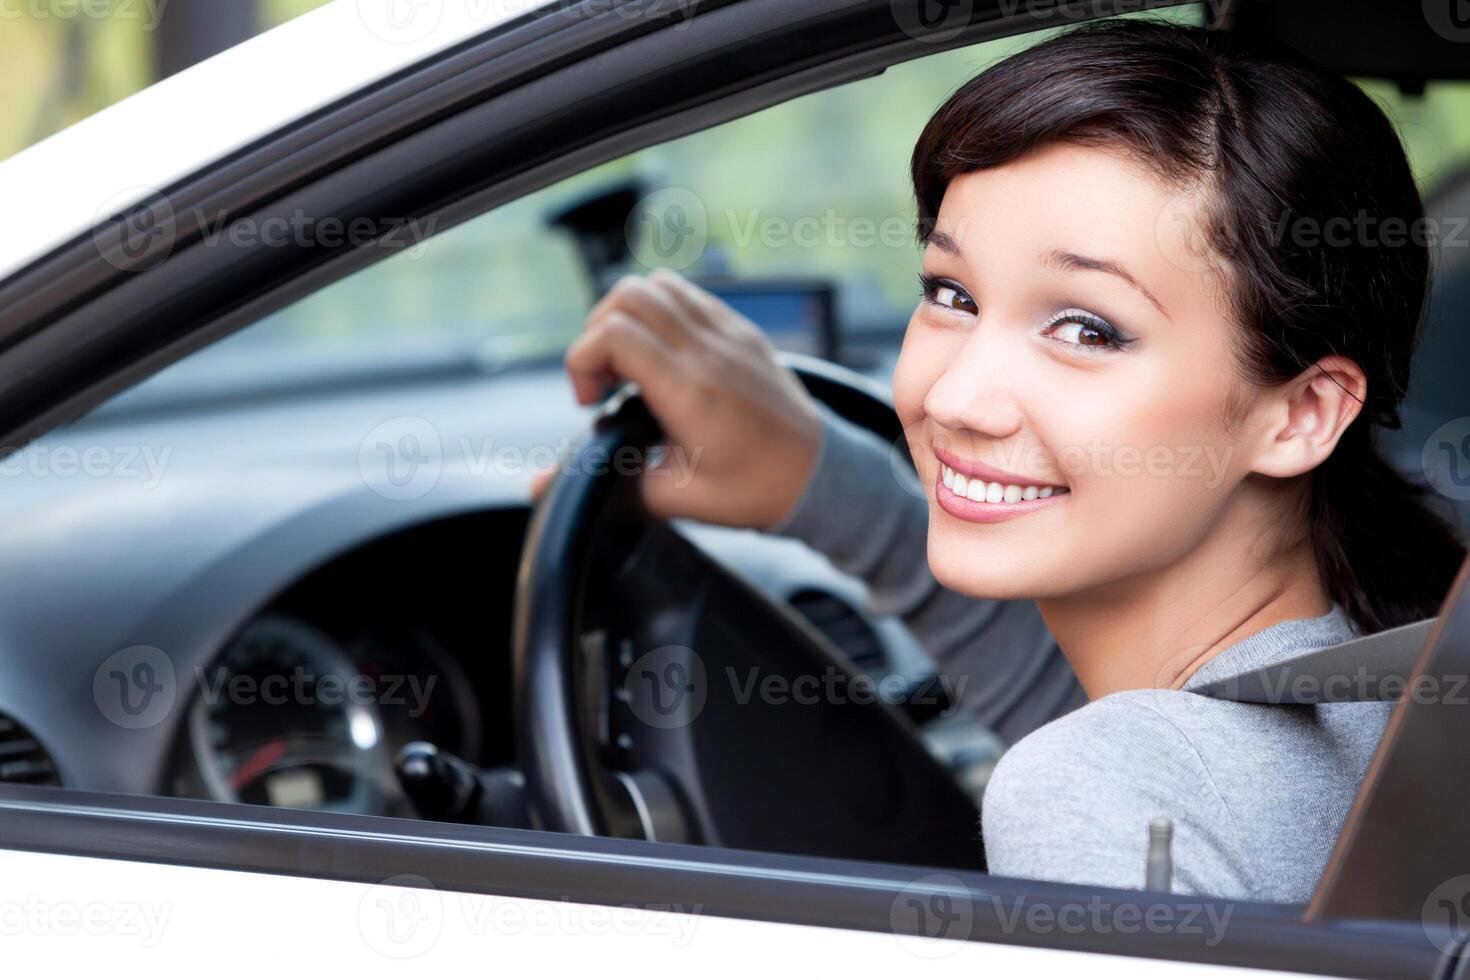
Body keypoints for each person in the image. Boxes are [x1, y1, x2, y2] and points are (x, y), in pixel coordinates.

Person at [538, 19, 1466, 903]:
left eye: (1086, 328)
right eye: (950, 292)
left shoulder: (1104, 792)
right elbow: (1091, 713)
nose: (952, 399)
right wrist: (823, 485)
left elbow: (1114, 767)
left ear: (1301, 413)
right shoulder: (1395, 672)